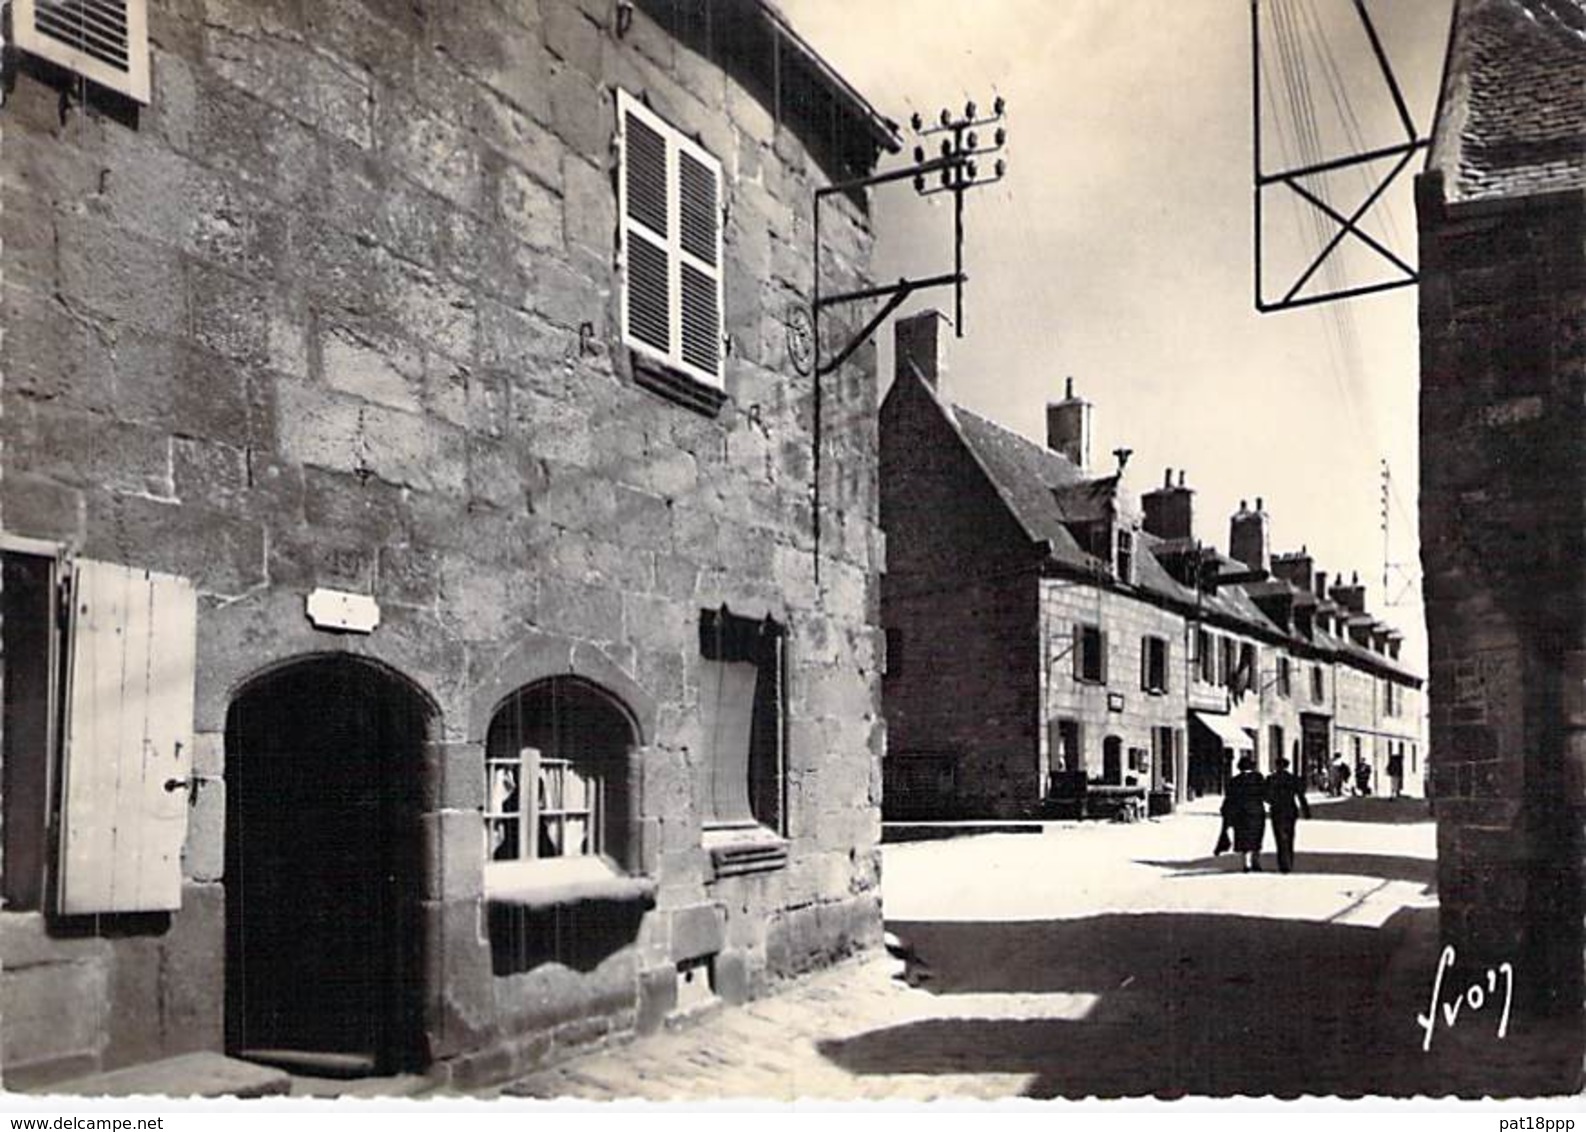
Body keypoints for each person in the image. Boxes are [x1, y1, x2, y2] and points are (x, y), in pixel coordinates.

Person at [1221, 753, 1268, 873]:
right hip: (1256, 812)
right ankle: (1256, 861)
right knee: (1256, 837)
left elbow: (1229, 798)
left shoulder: (1234, 781)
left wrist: (1226, 812)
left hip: (1240, 813)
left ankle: (1246, 863)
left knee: (1243, 837)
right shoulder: (1258, 778)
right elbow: (1265, 794)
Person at [1265, 756, 1311, 874]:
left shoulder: (1271, 779)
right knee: (1290, 836)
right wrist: (1306, 811)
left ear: (1276, 766)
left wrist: (1272, 801)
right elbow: (1301, 796)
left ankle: (1282, 863)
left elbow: (1265, 795)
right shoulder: (1293, 779)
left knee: (1279, 837)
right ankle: (1288, 862)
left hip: (1276, 810)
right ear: (1287, 766)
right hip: (1290, 810)